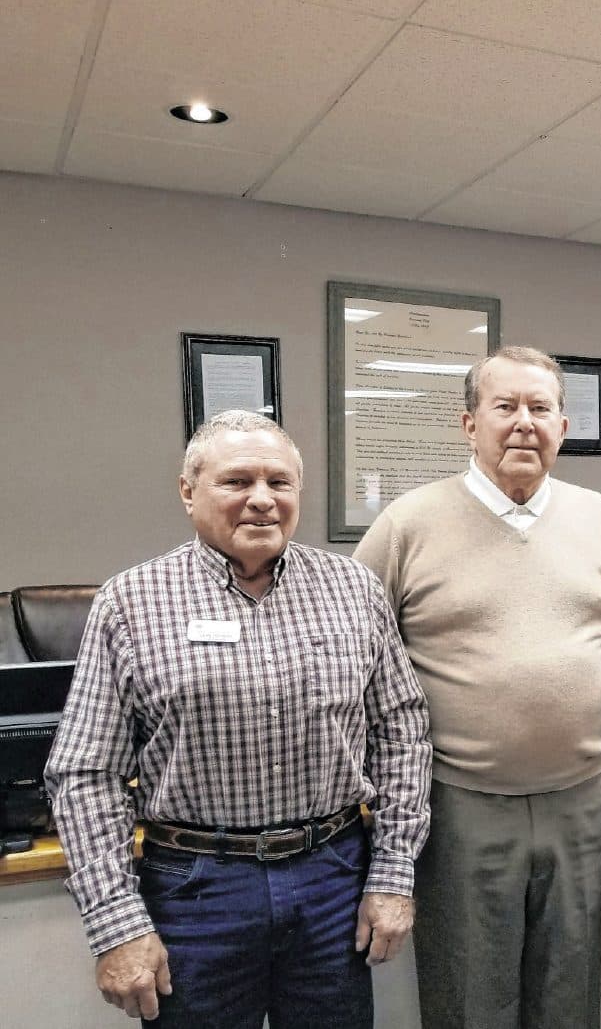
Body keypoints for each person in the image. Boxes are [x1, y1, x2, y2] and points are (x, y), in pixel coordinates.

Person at [45, 410, 432, 1027]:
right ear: (188, 491)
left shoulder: (353, 589)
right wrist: (114, 921)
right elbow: (85, 774)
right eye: (237, 482)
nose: (261, 500)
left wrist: (393, 872)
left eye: (279, 483)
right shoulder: (132, 602)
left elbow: (402, 730)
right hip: (195, 889)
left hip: (332, 877)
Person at [353, 345, 601, 1029]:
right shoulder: (406, 525)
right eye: (504, 406)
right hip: (459, 803)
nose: (523, 423)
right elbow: (352, 660)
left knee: (570, 993)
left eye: (540, 408)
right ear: (468, 424)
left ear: (563, 428)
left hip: (582, 799)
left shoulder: (600, 519)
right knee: (468, 996)